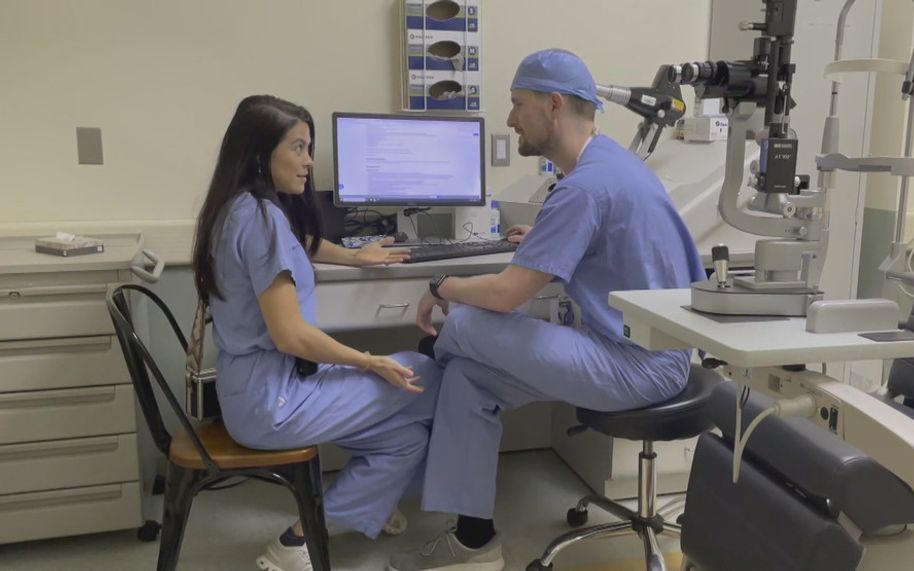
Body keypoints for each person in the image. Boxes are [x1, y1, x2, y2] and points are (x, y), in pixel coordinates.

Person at [388, 49, 706, 571]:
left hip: (639, 365)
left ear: (553, 105)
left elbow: (506, 295)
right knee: (469, 378)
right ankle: (473, 545)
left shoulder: (583, 187)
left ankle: (435, 350)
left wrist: (442, 284)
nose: (511, 118)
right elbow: (602, 235)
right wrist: (545, 237)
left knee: (467, 320)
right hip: (630, 348)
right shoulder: (611, 164)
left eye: (517, 105)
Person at [192, 95, 442, 571]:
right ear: (260, 154)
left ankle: (335, 517)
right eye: (299, 147)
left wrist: (354, 255)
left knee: (406, 439)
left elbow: (301, 243)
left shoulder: (238, 210)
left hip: (254, 391)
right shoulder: (262, 220)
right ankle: (456, 515)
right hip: (275, 401)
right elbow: (290, 336)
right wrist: (370, 361)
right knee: (427, 373)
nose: (309, 161)